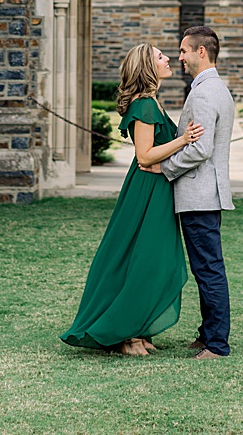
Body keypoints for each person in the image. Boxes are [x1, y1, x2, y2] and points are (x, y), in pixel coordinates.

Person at [62, 43, 203, 355]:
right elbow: (144, 155)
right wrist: (183, 140)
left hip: (158, 189)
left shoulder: (153, 102)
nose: (168, 59)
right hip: (146, 191)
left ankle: (137, 333)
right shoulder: (145, 106)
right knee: (143, 262)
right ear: (147, 67)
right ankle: (124, 334)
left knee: (151, 262)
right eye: (160, 56)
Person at [163, 24, 237, 359]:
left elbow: (200, 149)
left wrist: (165, 168)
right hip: (206, 193)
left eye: (183, 51)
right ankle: (208, 334)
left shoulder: (205, 93)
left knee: (208, 269)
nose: (179, 57)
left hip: (200, 193)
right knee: (206, 268)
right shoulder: (215, 88)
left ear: (200, 51)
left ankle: (217, 345)